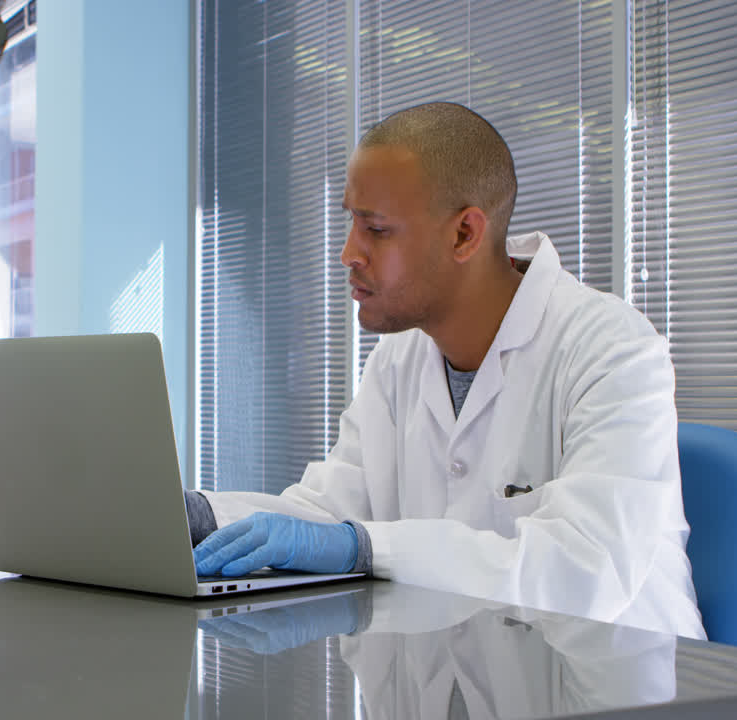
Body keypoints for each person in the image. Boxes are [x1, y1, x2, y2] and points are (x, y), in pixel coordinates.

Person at [187, 101, 705, 639]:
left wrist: (363, 547)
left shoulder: (611, 348)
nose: (348, 253)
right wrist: (191, 517)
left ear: (464, 235)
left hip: (619, 667)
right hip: (462, 659)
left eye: (376, 229)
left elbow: (586, 569)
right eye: (351, 221)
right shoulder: (398, 358)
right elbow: (327, 513)